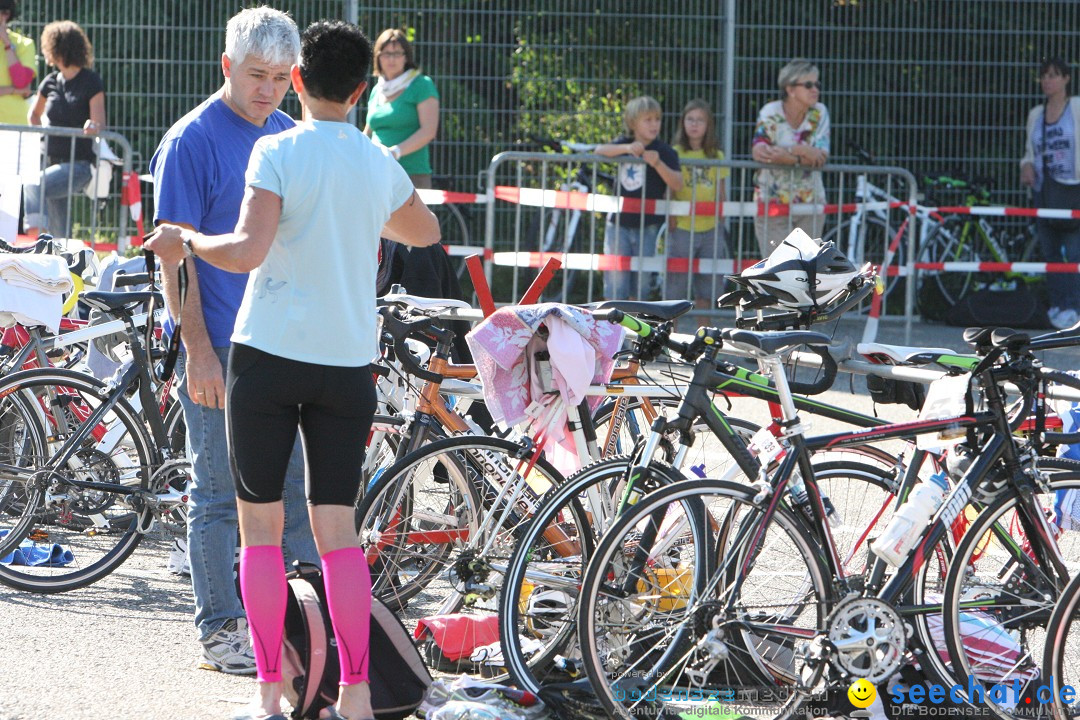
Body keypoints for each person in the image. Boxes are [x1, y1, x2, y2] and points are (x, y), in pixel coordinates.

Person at [147, 20, 440, 720]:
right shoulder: (375, 161)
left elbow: (246, 253)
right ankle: (359, 694)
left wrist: (186, 241)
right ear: (363, 88)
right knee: (337, 534)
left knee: (259, 528)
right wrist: (365, 217)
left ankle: (270, 692)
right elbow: (425, 231)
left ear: (298, 81)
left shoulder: (275, 149)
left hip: (269, 357)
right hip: (345, 364)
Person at [148, 6, 319, 676]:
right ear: (226, 66)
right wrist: (197, 352)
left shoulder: (288, 135)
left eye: (281, 77)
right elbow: (176, 257)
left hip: (281, 349)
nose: (268, 90)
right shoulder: (190, 141)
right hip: (217, 348)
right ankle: (221, 631)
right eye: (256, 75)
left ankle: (301, 628)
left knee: (293, 499)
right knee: (218, 496)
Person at [596, 95, 682, 301]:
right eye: (648, 119)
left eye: (657, 119)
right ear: (633, 123)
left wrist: (658, 164)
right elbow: (600, 150)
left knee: (642, 284)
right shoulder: (624, 143)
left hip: (648, 227)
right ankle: (613, 330)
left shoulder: (665, 151)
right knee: (615, 282)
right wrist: (627, 149)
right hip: (618, 224)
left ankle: (636, 329)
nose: (654, 124)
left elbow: (678, 183)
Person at [23, 20, 104, 238]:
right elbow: (34, 114)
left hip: (79, 165)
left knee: (33, 184)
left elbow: (99, 122)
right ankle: (63, 263)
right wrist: (41, 135)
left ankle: (35, 239)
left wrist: (92, 126)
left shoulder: (91, 81)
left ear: (57, 48)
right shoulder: (49, 82)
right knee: (61, 235)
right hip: (50, 162)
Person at [1021, 55, 1080, 330]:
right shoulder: (1036, 114)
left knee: (1075, 254)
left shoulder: (1077, 108)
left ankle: (1074, 307)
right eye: (1044, 75)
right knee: (1051, 253)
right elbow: (1030, 152)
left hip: (1074, 191)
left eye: (1054, 75)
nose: (1048, 80)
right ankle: (1059, 306)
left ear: (1066, 79)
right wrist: (1027, 166)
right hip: (1045, 193)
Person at [751, 58, 830, 257]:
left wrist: (789, 153)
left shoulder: (819, 113)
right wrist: (804, 152)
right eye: (809, 85)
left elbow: (820, 157)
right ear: (790, 89)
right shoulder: (771, 112)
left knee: (805, 272)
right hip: (773, 201)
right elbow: (761, 152)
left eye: (817, 84)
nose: (815, 89)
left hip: (810, 202)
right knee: (777, 270)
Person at [666, 99, 729, 308]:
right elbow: (670, 189)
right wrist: (671, 217)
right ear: (682, 123)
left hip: (711, 228)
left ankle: (705, 336)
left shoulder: (716, 155)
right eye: (690, 119)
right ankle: (671, 334)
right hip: (682, 226)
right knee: (675, 285)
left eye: (700, 120)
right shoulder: (675, 153)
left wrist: (721, 221)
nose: (694, 124)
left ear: (708, 125)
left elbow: (721, 192)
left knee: (708, 287)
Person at [364, 27, 439, 189]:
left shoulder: (422, 85)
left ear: (406, 57)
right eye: (386, 54)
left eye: (397, 53)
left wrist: (395, 152)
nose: (392, 59)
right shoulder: (377, 90)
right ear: (378, 58)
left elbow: (428, 131)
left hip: (411, 175)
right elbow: (368, 133)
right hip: (376, 173)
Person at [0, 0, 35, 126]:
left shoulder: (24, 44)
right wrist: (13, 90)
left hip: (15, 125)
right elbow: (21, 89)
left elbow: (21, 83)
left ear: (6, 14)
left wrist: (7, 45)